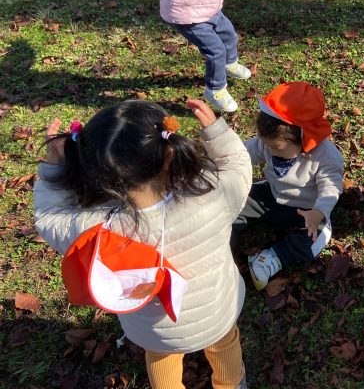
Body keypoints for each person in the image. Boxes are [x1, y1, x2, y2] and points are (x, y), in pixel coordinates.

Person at [34, 99, 252, 389]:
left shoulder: (94, 231)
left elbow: (50, 218)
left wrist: (52, 170)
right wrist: (217, 133)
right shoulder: (212, 196)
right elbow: (237, 166)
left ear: (98, 175)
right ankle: (232, 384)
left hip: (155, 332)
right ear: (167, 155)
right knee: (225, 343)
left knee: (161, 358)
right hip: (218, 313)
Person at [238, 82, 344, 290]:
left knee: (315, 239)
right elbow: (241, 155)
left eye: (275, 148)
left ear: (303, 139)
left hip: (305, 211)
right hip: (271, 194)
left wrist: (319, 212)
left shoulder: (326, 156)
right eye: (267, 145)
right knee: (236, 200)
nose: (269, 150)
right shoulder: (268, 141)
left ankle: (271, 259)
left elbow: (330, 188)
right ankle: (221, 238)